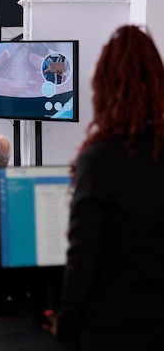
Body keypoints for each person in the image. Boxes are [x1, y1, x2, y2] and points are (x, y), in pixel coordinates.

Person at [42, 25, 164, 351]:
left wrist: (64, 327)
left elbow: (84, 258)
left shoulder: (100, 160)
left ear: (104, 88)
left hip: (114, 327)